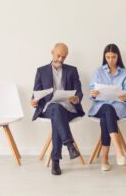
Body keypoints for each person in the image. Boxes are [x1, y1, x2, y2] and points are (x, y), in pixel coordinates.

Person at [30, 43, 85, 175]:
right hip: (49, 108)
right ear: (52, 52)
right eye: (58, 55)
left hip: (68, 108)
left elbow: (79, 92)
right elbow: (35, 94)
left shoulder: (72, 70)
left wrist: (76, 98)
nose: (60, 59)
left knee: (58, 113)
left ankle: (56, 160)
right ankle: (69, 145)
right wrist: (34, 101)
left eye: (64, 57)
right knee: (55, 108)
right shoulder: (41, 71)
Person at [88, 43, 126, 171]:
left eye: (113, 57)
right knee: (107, 108)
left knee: (106, 118)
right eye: (108, 57)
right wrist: (94, 94)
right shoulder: (98, 71)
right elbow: (92, 94)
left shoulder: (125, 74)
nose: (110, 60)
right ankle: (119, 151)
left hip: (118, 108)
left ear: (118, 57)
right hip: (100, 106)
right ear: (104, 57)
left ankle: (104, 160)